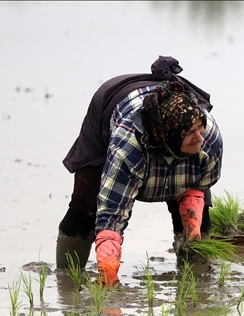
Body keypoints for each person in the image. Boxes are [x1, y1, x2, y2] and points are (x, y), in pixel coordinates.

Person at [57, 56, 223, 285]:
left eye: (199, 128)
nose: (199, 137)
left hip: (167, 137)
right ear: (171, 134)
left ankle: (196, 279)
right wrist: (108, 268)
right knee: (86, 206)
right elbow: (112, 215)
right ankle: (66, 280)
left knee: (189, 209)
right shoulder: (129, 147)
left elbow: (199, 186)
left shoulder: (210, 138)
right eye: (190, 132)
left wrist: (192, 219)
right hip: (110, 106)